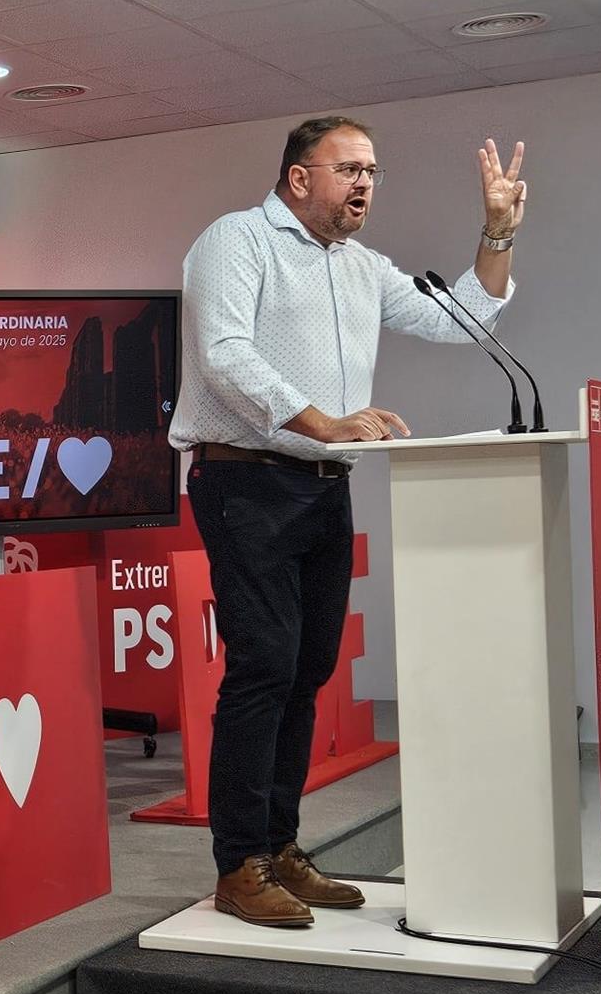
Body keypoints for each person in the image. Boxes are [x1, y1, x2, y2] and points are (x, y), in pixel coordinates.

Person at [172, 116, 527, 927]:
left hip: (325, 490)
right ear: (299, 178)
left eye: (373, 170)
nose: (365, 183)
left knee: (307, 670)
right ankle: (238, 866)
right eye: (349, 169)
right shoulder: (237, 240)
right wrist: (320, 421)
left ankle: (279, 846)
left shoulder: (362, 267)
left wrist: (496, 233)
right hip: (247, 481)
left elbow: (460, 319)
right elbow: (224, 355)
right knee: (264, 666)